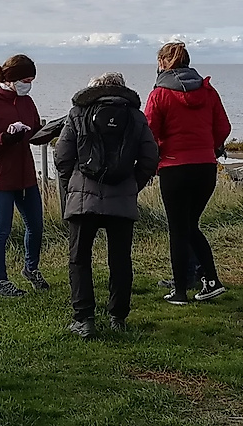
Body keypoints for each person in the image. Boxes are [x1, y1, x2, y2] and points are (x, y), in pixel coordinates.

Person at [55, 72, 159, 338]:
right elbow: (150, 157)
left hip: (82, 197)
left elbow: (62, 155)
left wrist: (70, 186)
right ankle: (118, 317)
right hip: (122, 197)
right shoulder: (135, 116)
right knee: (120, 260)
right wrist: (133, 185)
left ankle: (84, 319)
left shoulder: (78, 112)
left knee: (79, 259)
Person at [144, 41, 231, 305]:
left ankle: (180, 290)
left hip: (174, 167)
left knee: (179, 230)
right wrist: (208, 147)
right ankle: (211, 281)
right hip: (205, 167)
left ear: (162, 63)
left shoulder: (159, 94)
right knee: (190, 226)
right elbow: (223, 127)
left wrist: (158, 152)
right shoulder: (207, 91)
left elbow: (149, 131)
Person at [0, 54, 48, 297]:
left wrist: (48, 132)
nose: (29, 84)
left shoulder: (27, 101)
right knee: (1, 230)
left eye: (32, 80)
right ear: (12, 79)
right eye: (26, 79)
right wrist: (4, 138)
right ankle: (0, 281)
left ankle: (31, 268)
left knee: (35, 226)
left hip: (25, 176)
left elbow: (34, 132)